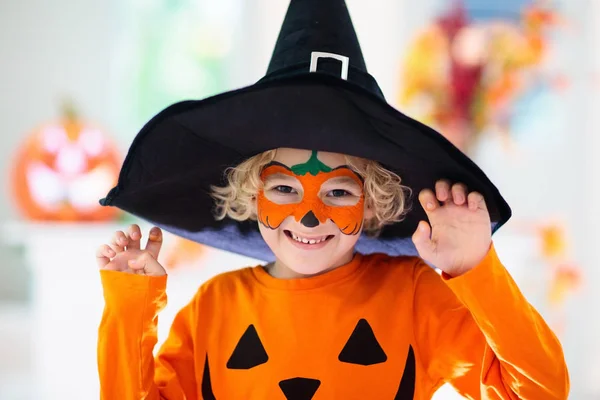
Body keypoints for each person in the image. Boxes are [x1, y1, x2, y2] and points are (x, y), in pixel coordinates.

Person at [96, 1, 569, 399]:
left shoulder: (413, 297)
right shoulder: (213, 309)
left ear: (372, 204)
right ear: (249, 193)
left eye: (338, 191)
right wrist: (131, 308)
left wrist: (476, 268)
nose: (308, 214)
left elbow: (541, 390)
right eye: (284, 188)